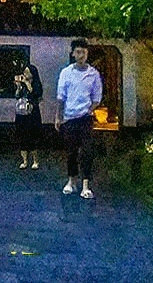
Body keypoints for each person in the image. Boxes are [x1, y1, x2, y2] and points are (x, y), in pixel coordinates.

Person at [56, 40, 103, 199]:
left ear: (87, 53)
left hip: (86, 118)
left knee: (87, 152)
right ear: (73, 53)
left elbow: (97, 98)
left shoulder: (94, 74)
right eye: (78, 52)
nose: (81, 55)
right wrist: (58, 117)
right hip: (69, 118)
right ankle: (71, 181)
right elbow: (61, 98)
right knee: (71, 152)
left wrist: (88, 111)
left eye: (84, 52)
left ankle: (86, 184)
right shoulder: (66, 73)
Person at [14, 61, 44, 170]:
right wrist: (18, 87)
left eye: (27, 72)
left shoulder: (36, 84)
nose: (25, 74)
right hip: (21, 113)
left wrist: (27, 83)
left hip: (32, 113)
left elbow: (35, 94)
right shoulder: (21, 84)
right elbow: (17, 96)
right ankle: (25, 160)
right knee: (22, 136)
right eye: (24, 72)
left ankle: (35, 160)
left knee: (33, 136)